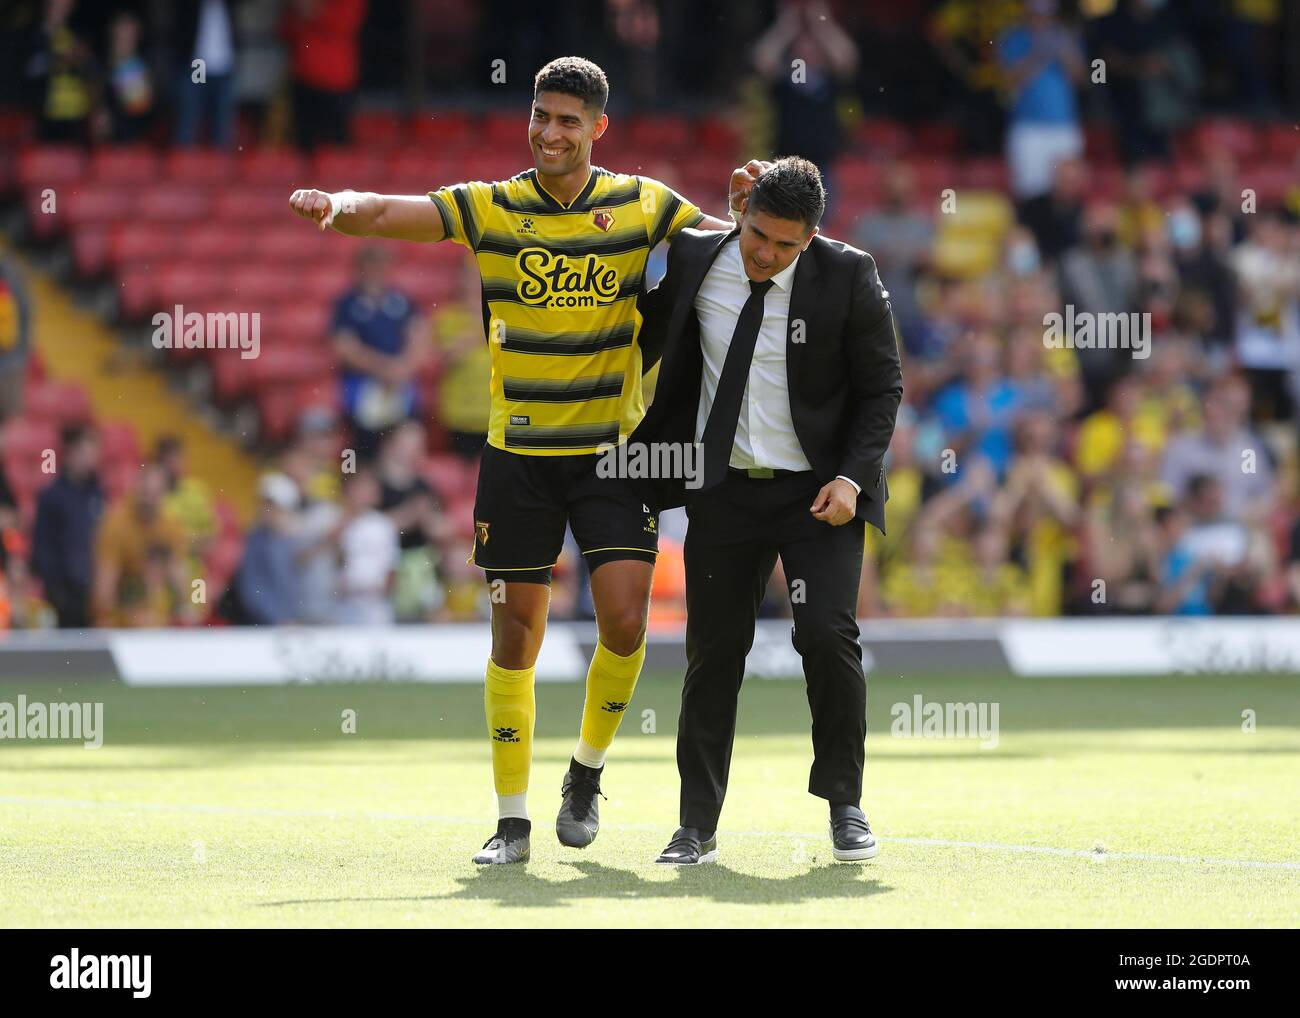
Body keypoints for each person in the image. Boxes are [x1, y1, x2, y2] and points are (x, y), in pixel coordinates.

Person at [289, 55, 766, 864]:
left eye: (568, 120)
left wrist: (740, 207)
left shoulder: (643, 203)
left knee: (623, 620)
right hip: (517, 459)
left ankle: (586, 771)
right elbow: (384, 213)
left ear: (597, 129)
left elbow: (729, 248)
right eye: (541, 115)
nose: (550, 132)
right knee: (517, 635)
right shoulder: (492, 206)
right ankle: (511, 821)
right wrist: (337, 204)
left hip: (617, 458)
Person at [631, 157, 903, 865]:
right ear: (741, 210)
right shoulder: (695, 254)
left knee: (824, 634)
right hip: (721, 490)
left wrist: (851, 477)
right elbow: (640, 339)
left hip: (817, 495)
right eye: (758, 236)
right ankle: (695, 825)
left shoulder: (849, 273)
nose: (766, 254)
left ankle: (846, 804)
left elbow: (883, 389)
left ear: (811, 237)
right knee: (712, 653)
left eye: (786, 245)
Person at [331, 246, 428, 460]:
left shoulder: (402, 301)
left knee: (404, 438)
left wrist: (402, 367)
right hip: (362, 384)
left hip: (400, 383)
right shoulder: (347, 304)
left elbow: (419, 339)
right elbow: (345, 348)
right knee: (366, 445)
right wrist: (384, 368)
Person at [31, 425, 104, 629]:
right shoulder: (52, 496)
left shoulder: (98, 493)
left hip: (92, 589)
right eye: (85, 450)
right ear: (70, 453)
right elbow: (42, 544)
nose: (91, 457)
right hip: (63, 591)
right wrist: (54, 584)